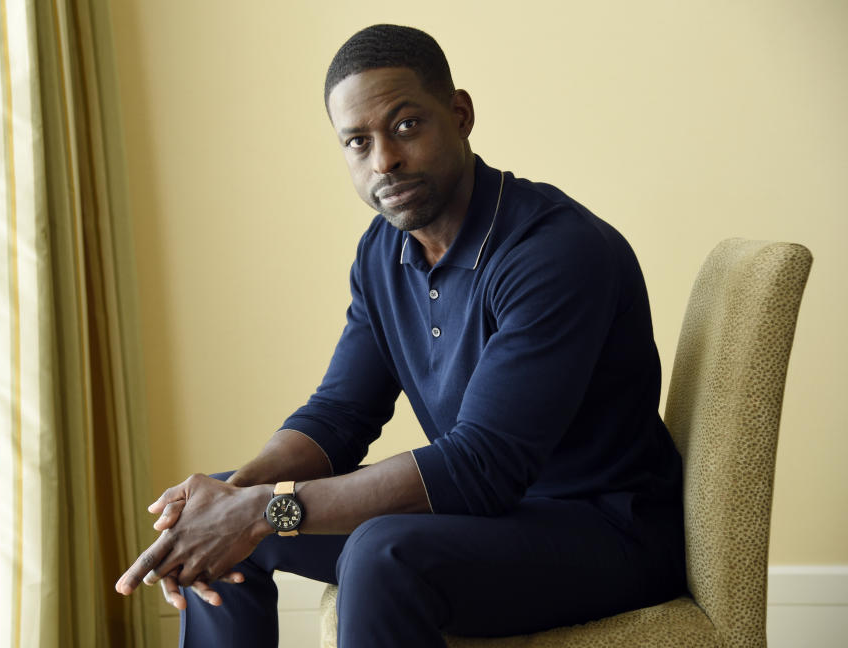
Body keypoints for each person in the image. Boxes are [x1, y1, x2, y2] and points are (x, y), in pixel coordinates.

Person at [116, 24, 687, 647]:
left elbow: (481, 467)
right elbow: (339, 416)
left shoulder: (554, 253)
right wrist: (232, 497)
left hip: (604, 535)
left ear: (460, 114)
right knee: (234, 515)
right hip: (484, 522)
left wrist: (261, 511)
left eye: (406, 125)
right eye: (357, 142)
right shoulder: (383, 252)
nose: (383, 159)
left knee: (378, 551)